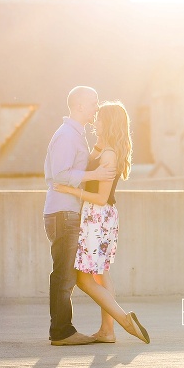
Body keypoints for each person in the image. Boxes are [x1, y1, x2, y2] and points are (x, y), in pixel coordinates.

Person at [54, 100, 150, 344]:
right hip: (97, 217)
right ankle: (107, 331)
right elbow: (86, 167)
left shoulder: (109, 155)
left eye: (99, 119)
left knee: (84, 278)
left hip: (97, 218)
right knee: (100, 275)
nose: (94, 122)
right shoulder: (102, 149)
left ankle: (124, 320)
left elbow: (101, 197)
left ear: (108, 123)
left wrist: (69, 189)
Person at [43, 86, 116, 346]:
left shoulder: (76, 135)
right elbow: (60, 174)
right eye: (94, 103)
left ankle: (62, 329)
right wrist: (95, 175)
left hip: (67, 211)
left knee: (65, 274)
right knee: (64, 275)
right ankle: (62, 332)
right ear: (80, 106)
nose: (97, 108)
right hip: (63, 212)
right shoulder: (67, 135)